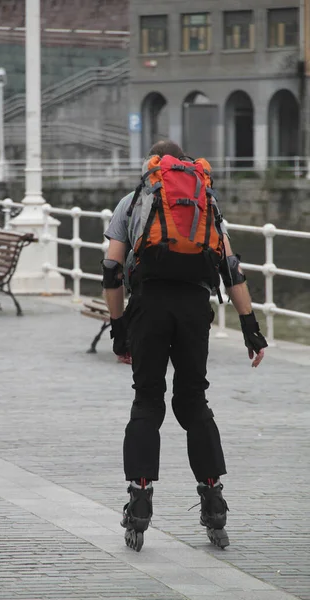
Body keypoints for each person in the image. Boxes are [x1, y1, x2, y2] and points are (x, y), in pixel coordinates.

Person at [101, 140, 268, 552]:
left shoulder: (135, 198)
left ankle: (140, 497)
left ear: (152, 164)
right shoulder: (204, 199)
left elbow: (111, 269)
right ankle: (212, 498)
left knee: (147, 400)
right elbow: (231, 269)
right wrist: (251, 328)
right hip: (194, 308)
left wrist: (118, 328)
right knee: (193, 400)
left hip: (149, 305)